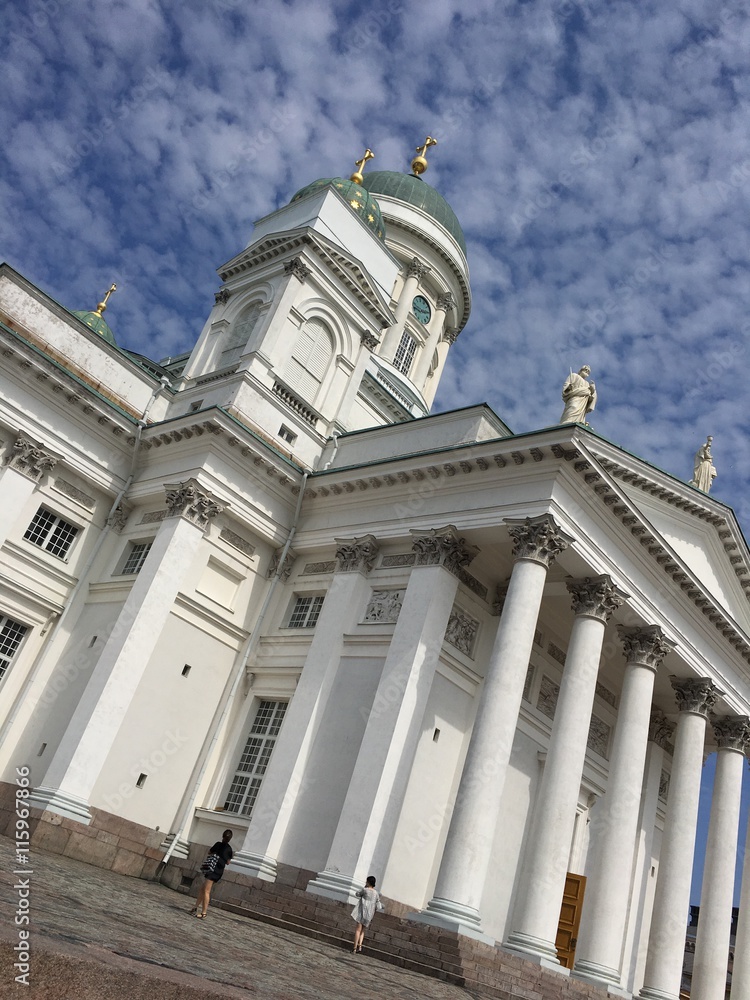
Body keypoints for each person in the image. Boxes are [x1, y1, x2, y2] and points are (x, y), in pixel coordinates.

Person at [193, 829, 233, 918]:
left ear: (222, 836)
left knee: (206, 891)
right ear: (230, 839)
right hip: (219, 871)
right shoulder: (229, 849)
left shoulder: (218, 844)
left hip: (212, 869)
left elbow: (209, 852)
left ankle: (204, 913)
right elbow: (228, 862)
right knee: (203, 889)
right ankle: (195, 907)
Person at [351, 875, 384, 953]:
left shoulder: (365, 890)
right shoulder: (376, 893)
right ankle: (360, 946)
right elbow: (378, 903)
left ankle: (354, 948)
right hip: (369, 914)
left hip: (362, 912)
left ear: (368, 882)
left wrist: (364, 887)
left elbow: (357, 894)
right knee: (362, 931)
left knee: (358, 930)